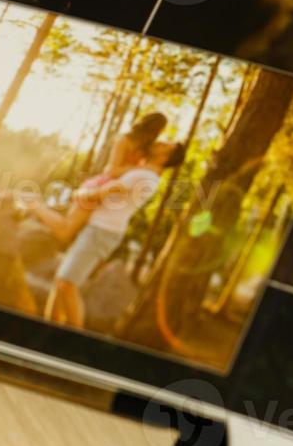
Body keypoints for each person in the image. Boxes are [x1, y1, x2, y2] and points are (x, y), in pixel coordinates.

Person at [30, 124, 185, 330]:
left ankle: (71, 339)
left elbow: (106, 192)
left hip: (102, 232)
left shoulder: (145, 177)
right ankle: (47, 330)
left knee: (67, 284)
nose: (159, 142)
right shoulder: (144, 173)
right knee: (61, 283)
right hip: (100, 230)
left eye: (165, 144)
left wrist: (79, 195)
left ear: (165, 157)